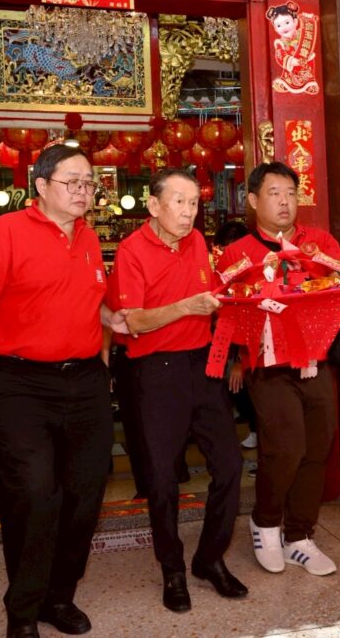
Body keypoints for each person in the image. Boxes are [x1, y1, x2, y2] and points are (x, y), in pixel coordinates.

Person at [0, 144, 127, 638]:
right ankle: (23, 609)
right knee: (34, 493)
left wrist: (110, 323)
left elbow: (88, 303)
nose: (83, 191)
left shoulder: (89, 238)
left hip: (84, 382)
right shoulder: (6, 232)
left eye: (89, 183)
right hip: (19, 383)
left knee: (85, 492)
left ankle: (59, 597)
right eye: (72, 182)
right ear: (40, 186)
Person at [114, 168, 246, 613]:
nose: (189, 213)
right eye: (179, 202)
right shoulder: (132, 250)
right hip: (155, 371)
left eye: (194, 203)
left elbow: (214, 298)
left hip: (202, 365)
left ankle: (210, 559)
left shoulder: (198, 243)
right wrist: (186, 307)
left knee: (229, 465)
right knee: (161, 478)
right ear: (154, 205)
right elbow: (133, 320)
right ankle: (172, 569)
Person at [217, 161, 340, 577]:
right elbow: (224, 308)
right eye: (274, 194)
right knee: (285, 446)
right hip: (268, 363)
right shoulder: (237, 253)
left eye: (290, 192)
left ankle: (300, 535)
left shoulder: (319, 242)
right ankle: (266, 522)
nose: (285, 201)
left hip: (314, 361)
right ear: (254, 201)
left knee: (318, 446)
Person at [212, 220, 259, 452]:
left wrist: (241, 360)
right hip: (228, 337)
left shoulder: (256, 269)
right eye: (222, 249)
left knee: (245, 387)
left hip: (251, 346)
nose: (225, 254)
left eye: (228, 248)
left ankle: (256, 429)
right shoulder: (224, 271)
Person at [266, 0, 320, 95]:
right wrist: (291, 61)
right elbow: (280, 56)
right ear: (275, 28)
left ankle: (309, 84)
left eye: (287, 22)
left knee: (308, 75)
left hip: (306, 65)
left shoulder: (303, 34)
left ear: (295, 22)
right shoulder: (280, 43)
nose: (283, 27)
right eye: (278, 25)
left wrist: (309, 19)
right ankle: (286, 84)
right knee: (289, 80)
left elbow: (309, 26)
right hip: (291, 69)